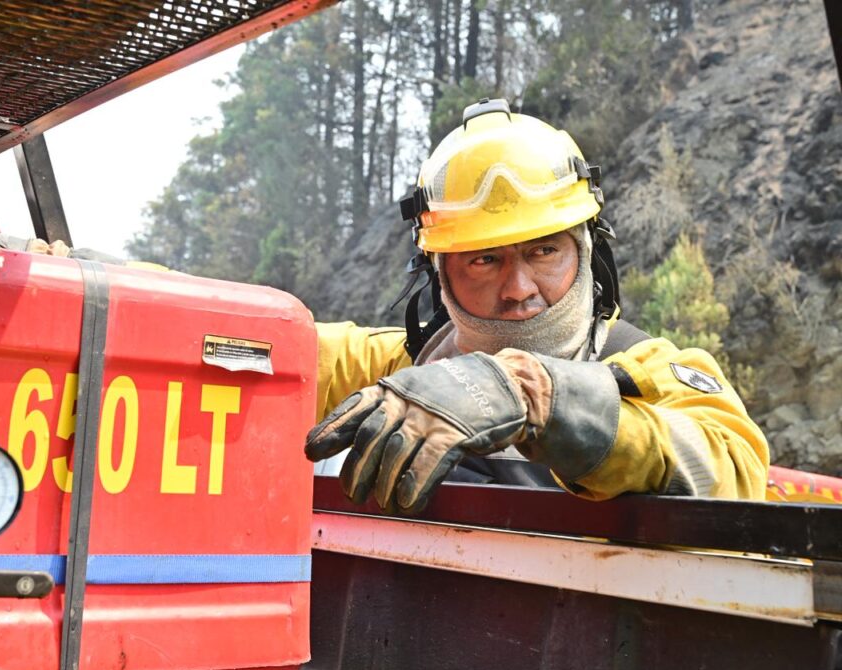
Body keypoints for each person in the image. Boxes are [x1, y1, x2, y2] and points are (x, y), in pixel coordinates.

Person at [305, 98, 768, 514]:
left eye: (544, 251)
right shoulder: (398, 371)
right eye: (485, 260)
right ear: (440, 273)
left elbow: (736, 480)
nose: (519, 288)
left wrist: (536, 396)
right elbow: (277, 342)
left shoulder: (647, 372)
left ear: (585, 250)